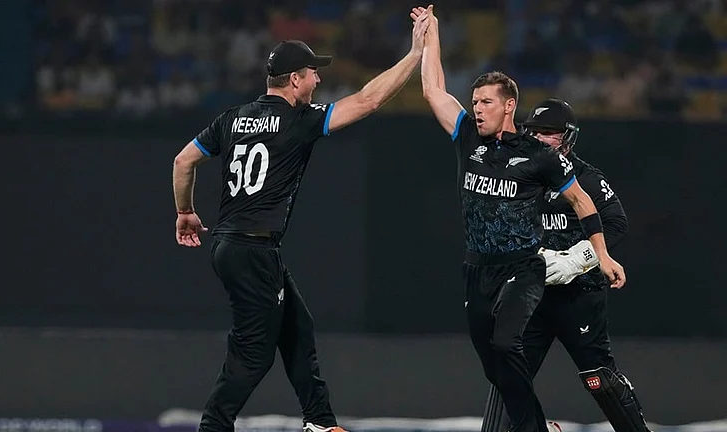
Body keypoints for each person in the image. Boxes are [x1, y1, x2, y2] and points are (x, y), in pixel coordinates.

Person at [171, 9, 432, 432]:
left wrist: (185, 212)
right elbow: (368, 100)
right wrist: (415, 52)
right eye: (313, 73)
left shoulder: (232, 118)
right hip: (254, 249)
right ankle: (214, 426)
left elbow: (184, 161)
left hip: (232, 245)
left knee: (297, 327)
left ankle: (319, 422)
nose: (318, 81)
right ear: (294, 79)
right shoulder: (298, 120)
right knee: (253, 353)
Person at [415, 6, 626, 432]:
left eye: (486, 102)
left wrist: (599, 256)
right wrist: (431, 36)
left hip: (523, 267)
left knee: (506, 341)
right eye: (474, 102)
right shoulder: (468, 138)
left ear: (509, 106)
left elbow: (585, 204)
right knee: (495, 362)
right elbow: (434, 91)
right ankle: (540, 426)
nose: (476, 109)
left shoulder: (540, 156)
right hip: (478, 269)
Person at [481, 99, 653, 432]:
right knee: (508, 375)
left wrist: (580, 258)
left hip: (579, 296)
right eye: (536, 133)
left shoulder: (586, 177)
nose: (542, 139)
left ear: (568, 138)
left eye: (550, 134)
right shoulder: (517, 175)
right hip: (534, 293)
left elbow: (616, 223)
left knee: (599, 378)